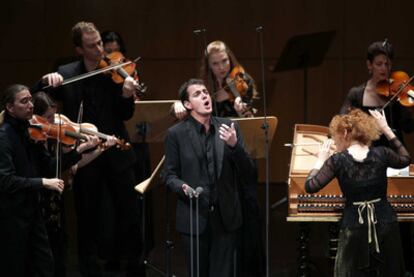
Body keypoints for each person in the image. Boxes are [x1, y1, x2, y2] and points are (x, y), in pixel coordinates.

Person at [36, 21, 144, 276]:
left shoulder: (116, 70)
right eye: (92, 45)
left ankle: (135, 266)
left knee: (129, 213)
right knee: (87, 216)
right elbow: (36, 101)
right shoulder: (66, 73)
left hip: (116, 148)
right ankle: (89, 268)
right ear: (79, 50)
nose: (99, 49)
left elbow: (125, 114)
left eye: (100, 43)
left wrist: (127, 94)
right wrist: (45, 82)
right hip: (84, 154)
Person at [0, 84, 96, 277]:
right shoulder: (4, 137)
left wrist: (78, 151)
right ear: (10, 108)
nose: (30, 105)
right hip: (12, 216)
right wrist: (42, 182)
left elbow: (50, 167)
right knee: (16, 268)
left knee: (45, 266)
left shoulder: (31, 131)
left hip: (33, 212)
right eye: (24, 101)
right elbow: (5, 181)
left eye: (31, 100)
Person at [164, 78, 256, 277]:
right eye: (197, 94)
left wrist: (234, 146)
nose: (205, 96)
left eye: (205, 92)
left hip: (226, 218)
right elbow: (169, 175)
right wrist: (184, 188)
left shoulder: (229, 127)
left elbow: (249, 172)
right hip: (194, 217)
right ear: (188, 104)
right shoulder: (176, 134)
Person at [305, 109, 411, 276]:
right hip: (386, 223)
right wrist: (386, 129)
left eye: (337, 135)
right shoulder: (382, 153)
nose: (336, 140)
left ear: (346, 132)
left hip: (354, 227)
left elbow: (310, 186)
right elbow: (405, 159)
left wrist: (320, 160)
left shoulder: (337, 160)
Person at [340, 40, 414, 273]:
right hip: (365, 163)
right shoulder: (356, 93)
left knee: (397, 213)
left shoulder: (397, 93)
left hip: (392, 159)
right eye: (379, 63)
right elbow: (343, 122)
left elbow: (408, 127)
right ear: (369, 65)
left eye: (387, 64)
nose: (384, 68)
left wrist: (409, 106)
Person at [173, 40, 259, 119]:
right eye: (215, 63)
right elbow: (186, 105)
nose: (221, 67)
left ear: (230, 59)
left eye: (224, 61)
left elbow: (250, 115)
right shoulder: (203, 86)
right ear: (209, 65)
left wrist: (242, 109)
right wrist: (178, 104)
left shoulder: (243, 81)